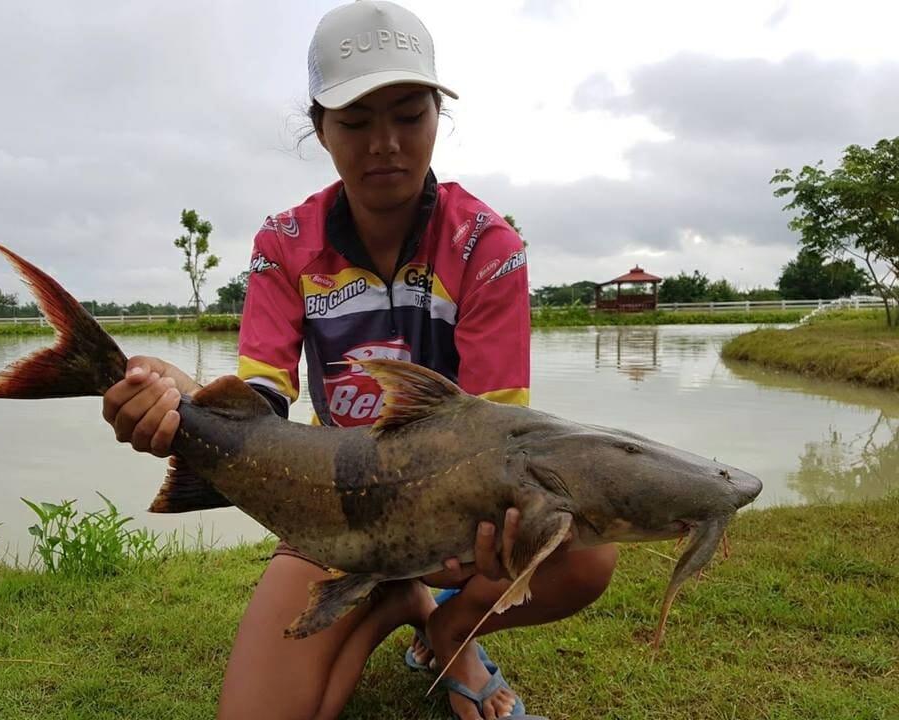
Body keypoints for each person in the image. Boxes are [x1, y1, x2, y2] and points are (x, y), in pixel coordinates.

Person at [101, 2, 617, 719]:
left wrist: (494, 537)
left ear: (438, 114)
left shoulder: (487, 247)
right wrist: (177, 395)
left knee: (586, 553)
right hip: (334, 516)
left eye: (409, 116)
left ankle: (449, 626)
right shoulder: (284, 243)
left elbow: (499, 438)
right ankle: (396, 596)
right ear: (319, 128)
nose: (386, 144)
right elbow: (262, 401)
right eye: (355, 121)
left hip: (456, 524)